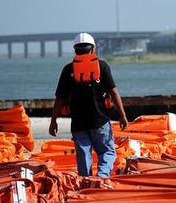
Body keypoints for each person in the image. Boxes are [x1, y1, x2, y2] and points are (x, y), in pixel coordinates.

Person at [48, 33, 128, 178]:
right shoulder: (102, 66)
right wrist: (122, 115)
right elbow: (114, 93)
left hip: (78, 124)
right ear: (93, 49)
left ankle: (85, 181)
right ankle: (102, 177)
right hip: (100, 121)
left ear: (75, 50)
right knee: (107, 152)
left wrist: (53, 121)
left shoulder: (68, 70)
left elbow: (59, 98)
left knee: (84, 155)